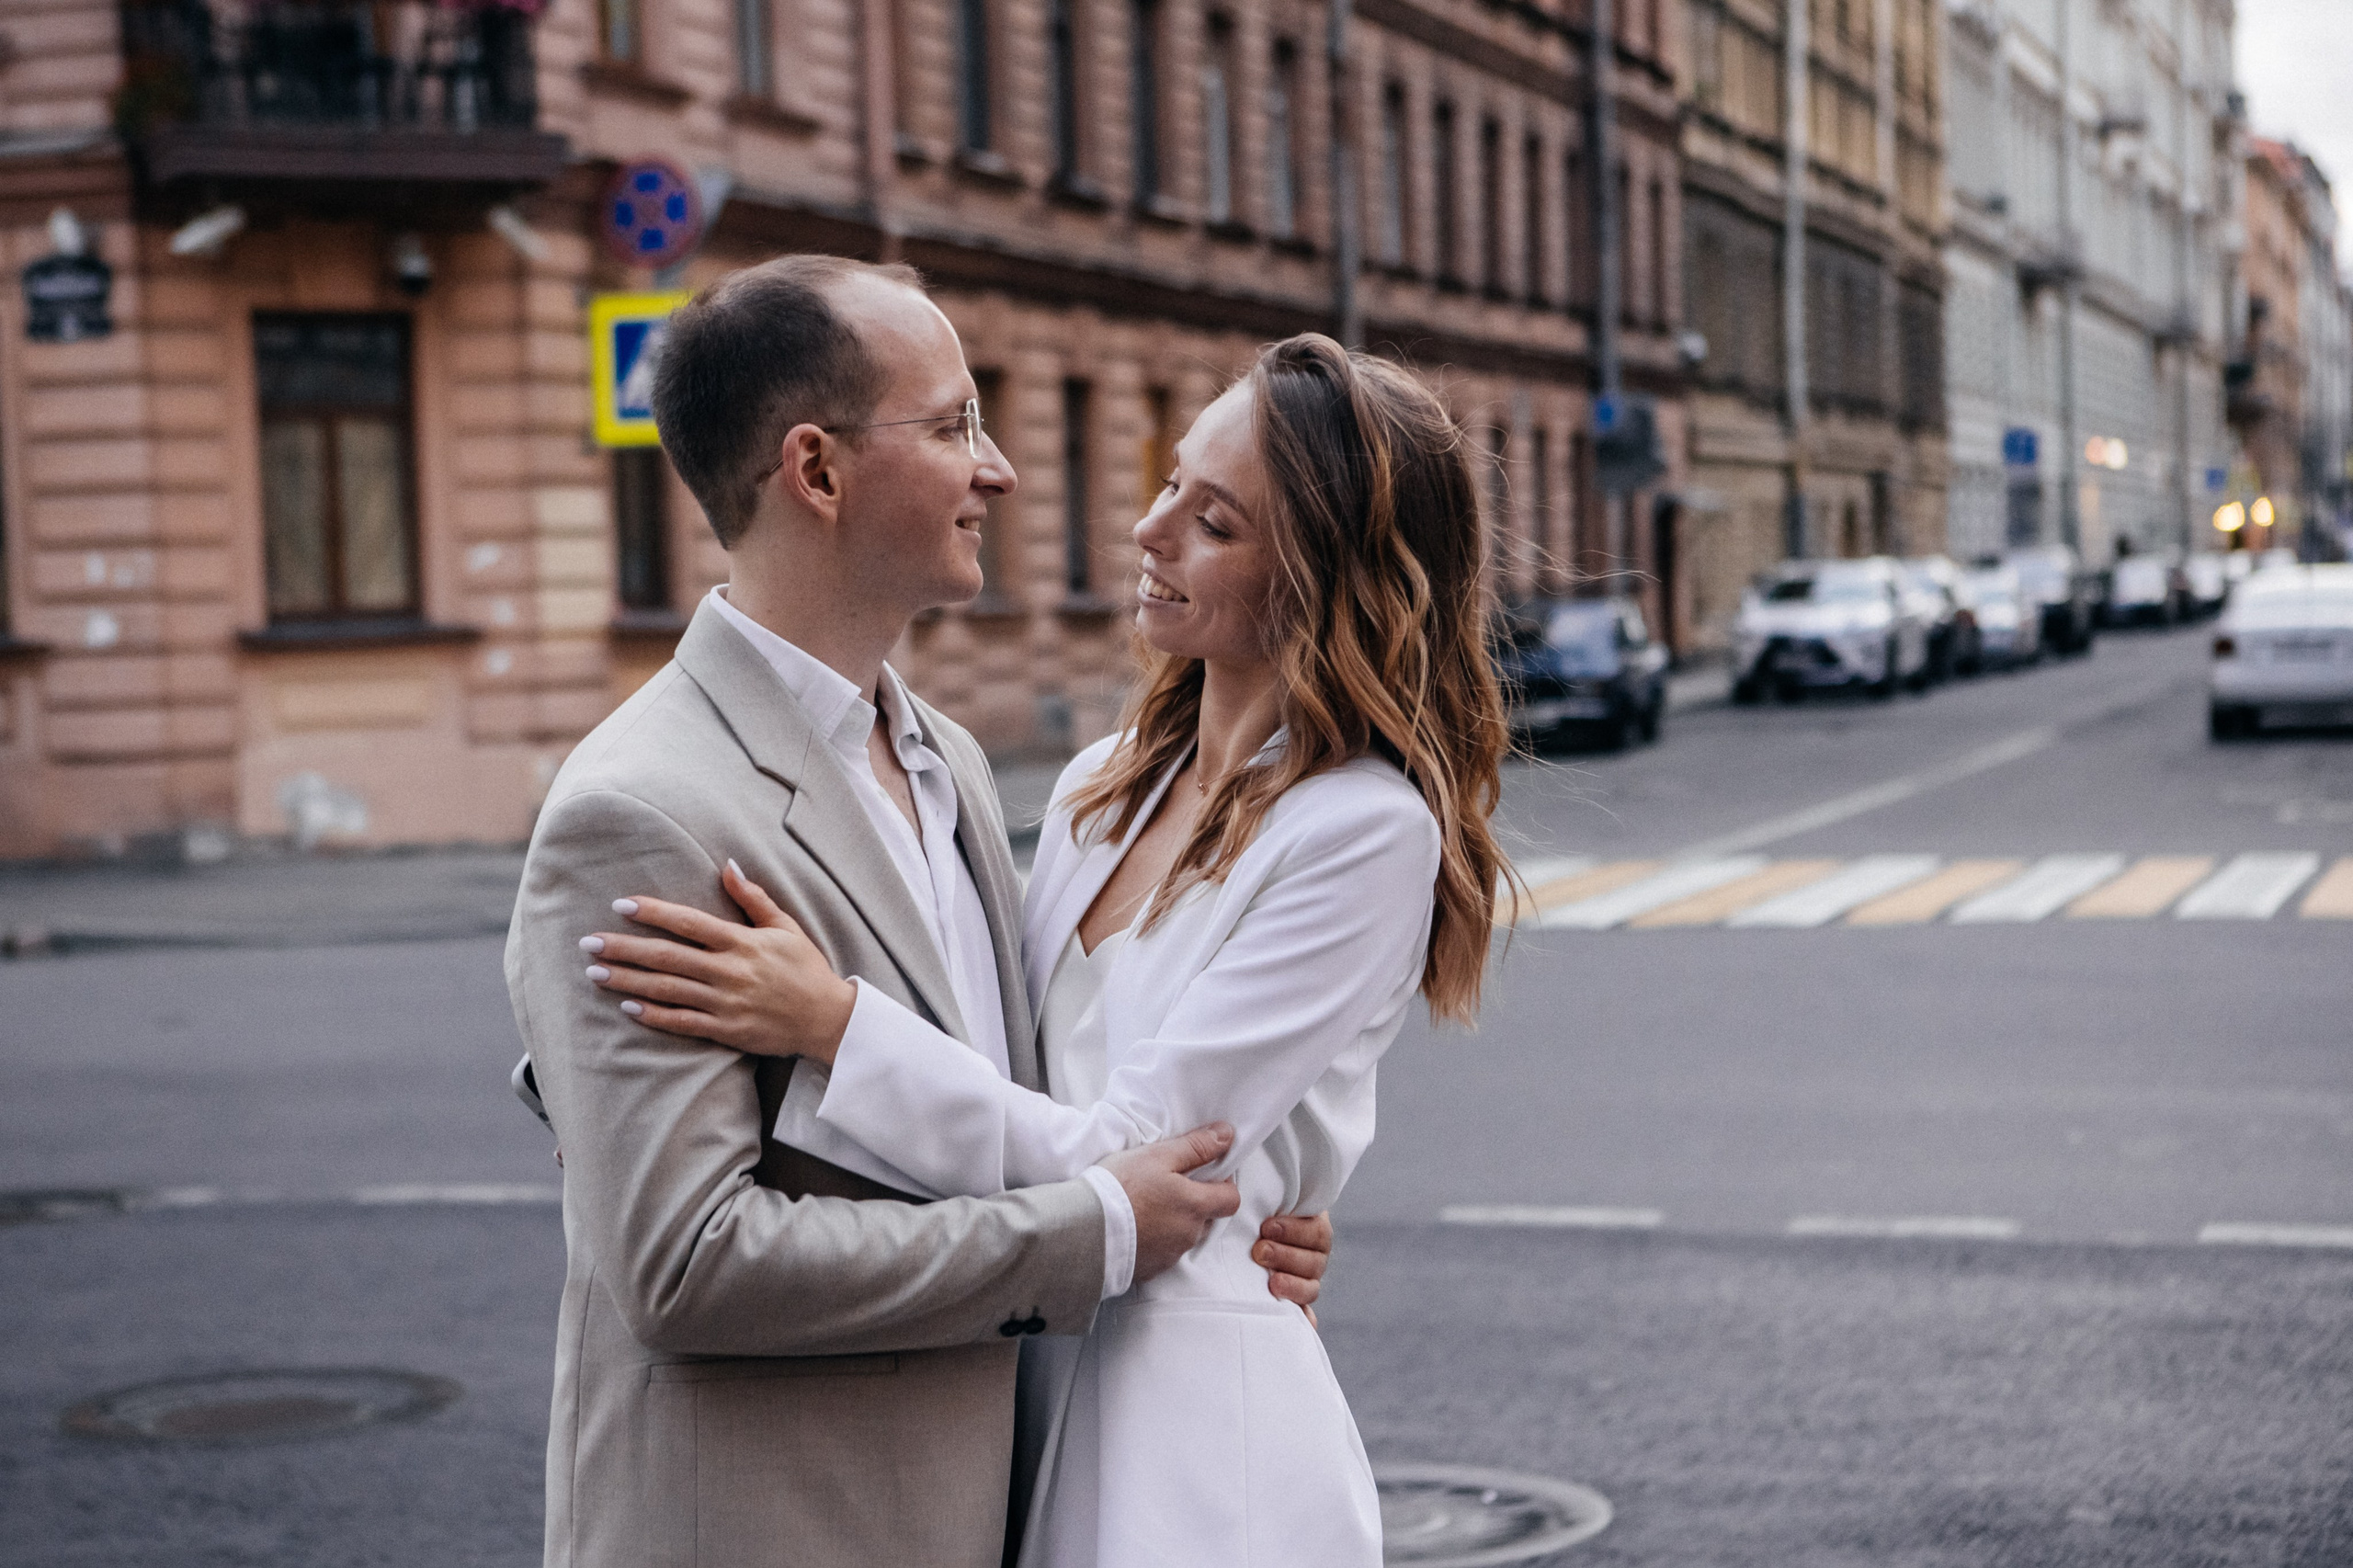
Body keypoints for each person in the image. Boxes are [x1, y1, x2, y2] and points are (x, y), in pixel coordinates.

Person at [581, 334, 1511, 1565]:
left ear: (1323, 580)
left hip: (1187, 1431)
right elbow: (1004, 1063)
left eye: (1214, 523)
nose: (1149, 530)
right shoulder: (1097, 790)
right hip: (1020, 1368)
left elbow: (1138, 1159)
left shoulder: (1361, 831)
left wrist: (834, 1024)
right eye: (1170, 482)